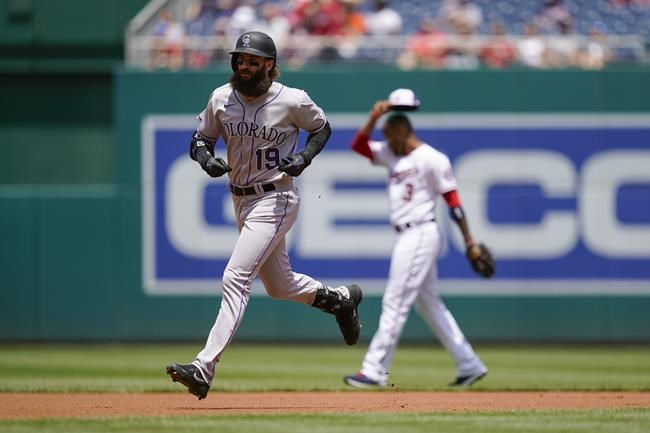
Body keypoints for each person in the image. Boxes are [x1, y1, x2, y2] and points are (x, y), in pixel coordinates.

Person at [166, 31, 363, 400]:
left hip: (276, 198)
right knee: (280, 286)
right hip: (241, 200)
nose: (244, 66)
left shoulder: (291, 100)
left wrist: (304, 157)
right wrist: (206, 159)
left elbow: (322, 128)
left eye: (253, 61)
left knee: (236, 277)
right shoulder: (221, 98)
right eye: (240, 59)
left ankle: (203, 367)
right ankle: (340, 299)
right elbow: (200, 139)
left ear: (270, 65)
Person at [344, 89, 489, 388]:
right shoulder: (392, 155)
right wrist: (374, 116)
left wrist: (470, 242)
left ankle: (373, 370)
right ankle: (469, 363)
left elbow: (454, 202)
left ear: (400, 131)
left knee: (395, 300)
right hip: (407, 234)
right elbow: (358, 146)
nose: (383, 140)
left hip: (421, 231)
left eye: (387, 133)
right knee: (429, 304)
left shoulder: (432, 158)